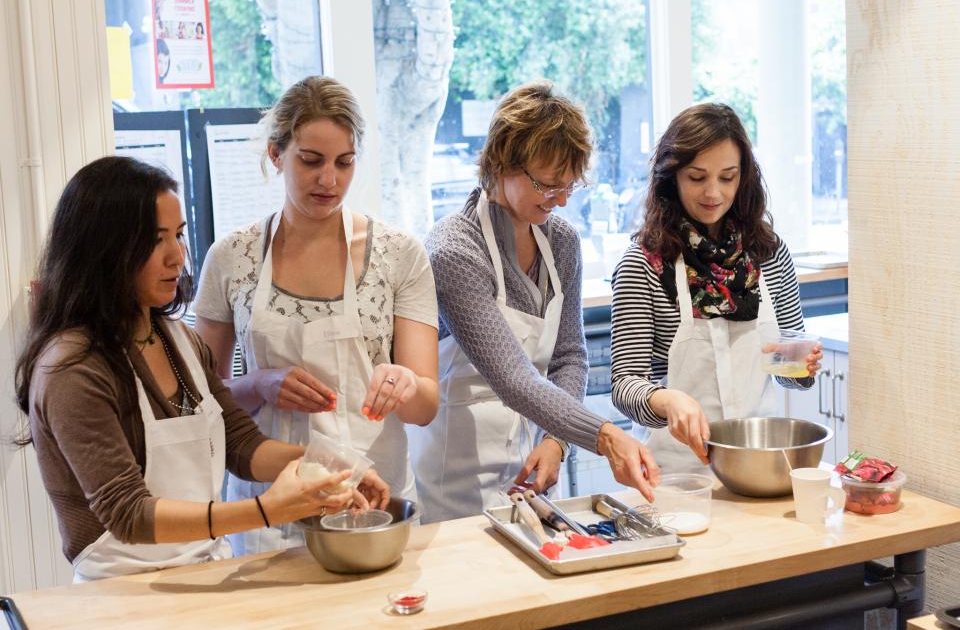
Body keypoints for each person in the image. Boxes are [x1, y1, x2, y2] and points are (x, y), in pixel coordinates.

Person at [15, 156, 389, 582]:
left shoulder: (181, 340)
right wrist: (267, 510)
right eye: (155, 241)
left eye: (178, 235)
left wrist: (338, 466)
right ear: (103, 250)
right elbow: (127, 512)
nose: (177, 257)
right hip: (119, 592)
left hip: (205, 571)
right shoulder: (72, 368)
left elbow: (241, 445)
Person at [194, 76, 439, 554]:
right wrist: (260, 383)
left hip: (370, 497)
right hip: (271, 504)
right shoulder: (231, 258)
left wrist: (403, 384)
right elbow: (205, 403)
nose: (329, 180)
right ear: (276, 155)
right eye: (311, 161)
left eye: (344, 164)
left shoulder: (398, 254)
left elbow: (426, 407)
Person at [410, 81, 661, 524]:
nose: (561, 200)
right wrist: (601, 435)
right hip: (456, 481)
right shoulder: (455, 252)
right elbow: (514, 378)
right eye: (547, 185)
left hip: (534, 471)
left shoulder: (561, 242)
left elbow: (569, 357)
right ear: (501, 162)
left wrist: (556, 443)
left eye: (569, 186)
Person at [610, 103, 823, 474]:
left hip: (759, 465)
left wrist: (799, 365)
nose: (713, 193)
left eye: (727, 177)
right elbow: (625, 384)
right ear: (671, 176)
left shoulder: (767, 254)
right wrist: (666, 400)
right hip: (673, 474)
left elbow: (787, 369)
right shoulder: (644, 264)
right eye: (697, 177)